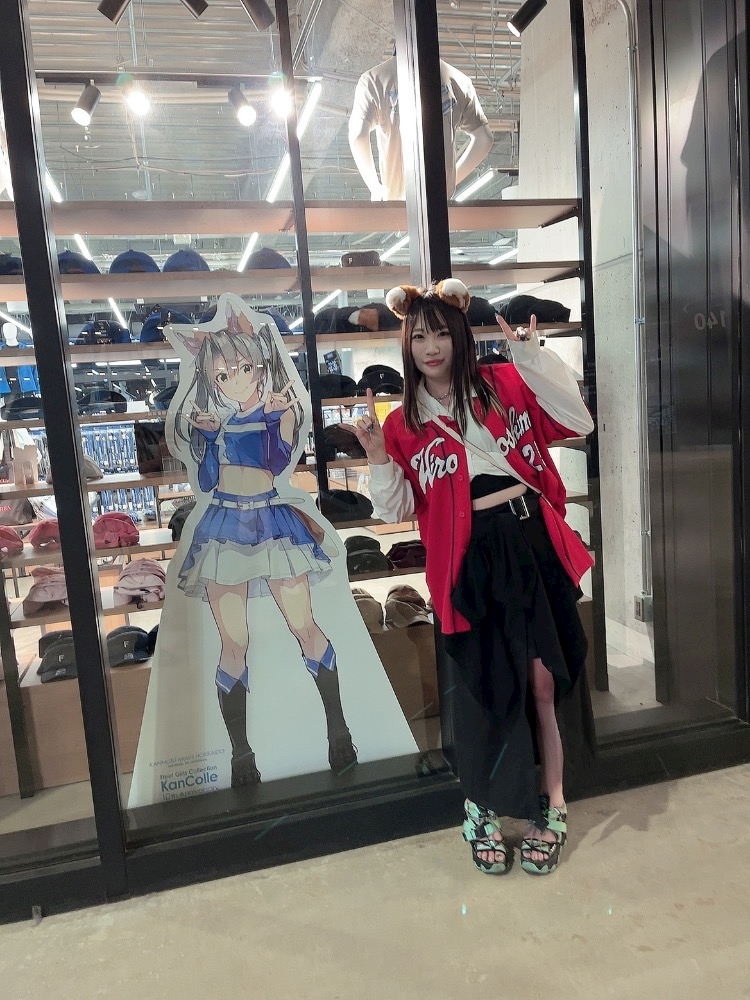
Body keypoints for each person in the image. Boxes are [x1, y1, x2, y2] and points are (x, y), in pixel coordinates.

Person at [352, 279, 596, 876]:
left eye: (441, 334)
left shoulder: (506, 384)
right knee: (481, 685)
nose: (431, 347)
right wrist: (378, 457)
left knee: (542, 682)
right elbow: (396, 508)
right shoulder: (403, 424)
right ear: (407, 346)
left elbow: (578, 421)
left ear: (461, 336)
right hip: (467, 560)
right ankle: (480, 806)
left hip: (529, 542)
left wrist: (534, 361)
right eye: (419, 337)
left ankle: (554, 803)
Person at [172, 305, 357, 787]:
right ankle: (241, 755)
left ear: (259, 366)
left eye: (242, 368)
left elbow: (276, 465)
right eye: (223, 374)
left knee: (304, 627)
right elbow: (207, 481)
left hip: (272, 523)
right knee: (233, 643)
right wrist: (205, 439)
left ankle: (339, 731)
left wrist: (278, 421)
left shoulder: (280, 410)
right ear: (212, 379)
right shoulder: (215, 421)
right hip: (225, 525)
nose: (234, 380)